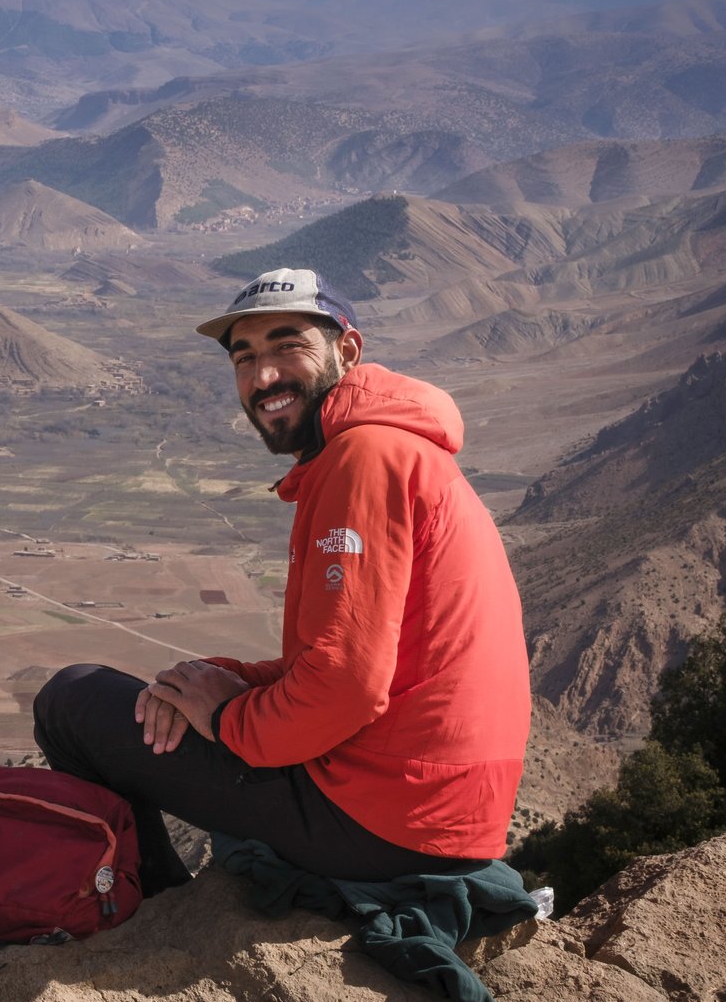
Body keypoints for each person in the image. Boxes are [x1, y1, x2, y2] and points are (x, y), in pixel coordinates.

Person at [32, 268, 529, 892]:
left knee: (71, 701)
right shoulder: (386, 451)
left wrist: (226, 718)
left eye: (287, 346)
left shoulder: (364, 460)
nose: (263, 376)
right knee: (161, 698)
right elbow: (351, 660)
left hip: (386, 819)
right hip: (432, 809)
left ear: (347, 351)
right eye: (245, 357)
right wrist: (219, 681)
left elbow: (346, 686)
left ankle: (145, 909)